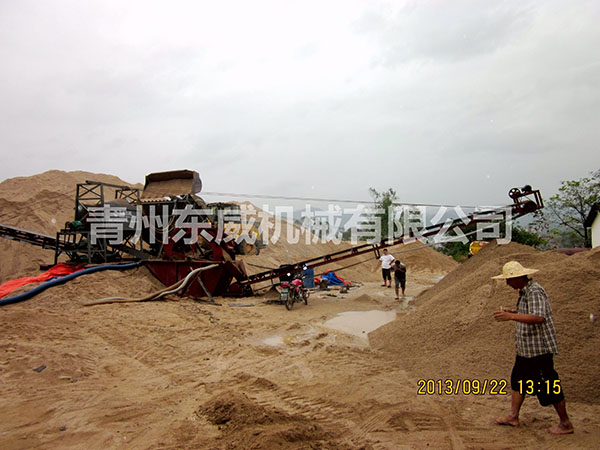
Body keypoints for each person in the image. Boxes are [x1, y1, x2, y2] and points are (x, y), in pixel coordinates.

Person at [492, 261, 573, 435]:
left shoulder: (535, 291)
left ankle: (565, 423)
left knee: (550, 386)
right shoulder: (525, 291)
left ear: (518, 278)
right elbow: (529, 312)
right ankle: (513, 416)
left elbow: (538, 317)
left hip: (538, 351)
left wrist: (510, 317)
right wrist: (513, 311)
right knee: (518, 381)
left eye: (508, 279)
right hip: (526, 350)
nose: (507, 283)